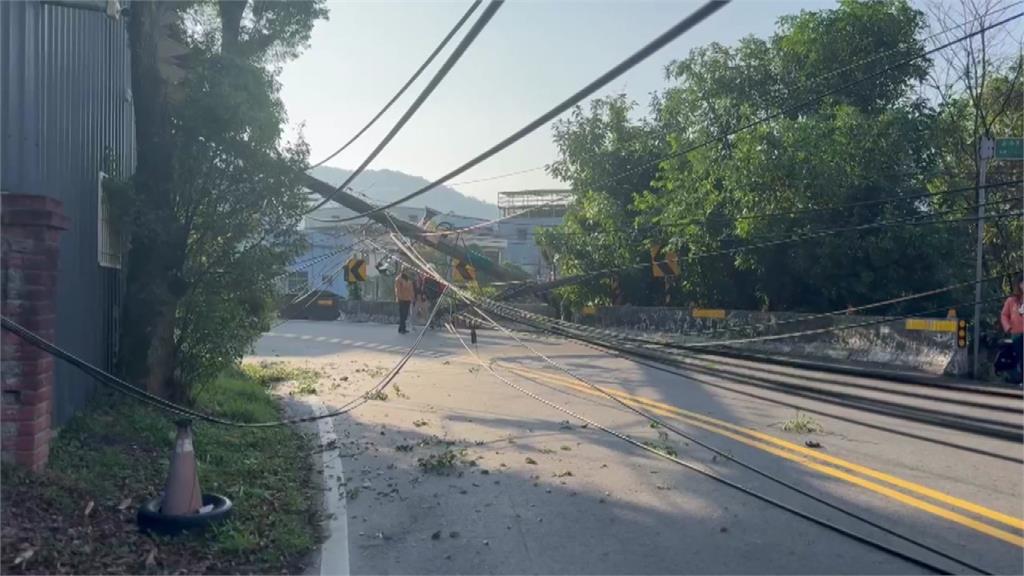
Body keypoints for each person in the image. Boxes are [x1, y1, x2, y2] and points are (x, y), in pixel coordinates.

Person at [999, 274, 1024, 384]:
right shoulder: (1011, 301)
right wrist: (1008, 327)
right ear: (1019, 285)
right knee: (1020, 356)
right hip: (1017, 333)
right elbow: (1004, 315)